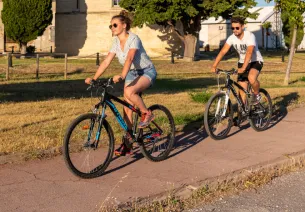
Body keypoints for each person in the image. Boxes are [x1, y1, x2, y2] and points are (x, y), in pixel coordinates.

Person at [85, 14, 157, 156]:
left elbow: (130, 58)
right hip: (131, 73)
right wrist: (94, 78)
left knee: (130, 92)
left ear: (124, 25)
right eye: (110, 25)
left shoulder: (133, 39)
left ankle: (147, 113)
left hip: (146, 71)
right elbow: (106, 61)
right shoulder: (116, 43)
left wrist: (122, 76)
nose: (112, 27)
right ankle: (128, 143)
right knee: (127, 110)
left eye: (115, 25)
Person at [211, 16, 264, 105]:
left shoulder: (250, 36)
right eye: (233, 28)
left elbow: (249, 52)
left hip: (255, 61)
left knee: (251, 78)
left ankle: (256, 94)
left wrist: (243, 68)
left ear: (242, 27)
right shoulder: (232, 38)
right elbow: (223, 51)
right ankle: (242, 114)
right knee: (241, 91)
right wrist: (214, 65)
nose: (235, 30)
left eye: (237, 28)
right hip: (242, 62)